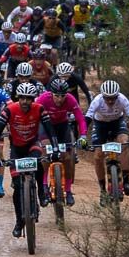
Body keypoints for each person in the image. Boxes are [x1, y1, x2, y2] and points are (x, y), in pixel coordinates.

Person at [0, 82, 55, 237]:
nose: (25, 101)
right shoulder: (9, 110)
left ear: (33, 99)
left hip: (33, 144)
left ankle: (41, 192)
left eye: (29, 98)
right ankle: (19, 222)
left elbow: (50, 130)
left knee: (38, 161)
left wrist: (56, 148)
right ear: (17, 98)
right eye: (22, 98)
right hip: (17, 149)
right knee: (18, 187)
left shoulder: (39, 109)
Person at [85, 80, 129, 203]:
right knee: (98, 156)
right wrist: (82, 137)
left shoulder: (122, 99)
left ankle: (126, 181)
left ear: (117, 95)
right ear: (103, 96)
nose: (111, 101)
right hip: (100, 125)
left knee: (124, 144)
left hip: (117, 123)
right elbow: (87, 120)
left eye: (113, 98)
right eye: (107, 98)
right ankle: (102, 191)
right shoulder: (97, 100)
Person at [36, 78, 88, 206]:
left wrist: (83, 136)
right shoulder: (43, 99)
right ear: (51, 93)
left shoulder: (70, 99)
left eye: (62, 96)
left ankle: (69, 190)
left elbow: (80, 119)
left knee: (67, 158)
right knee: (46, 153)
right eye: (57, 96)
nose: (60, 99)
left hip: (62, 127)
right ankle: (43, 186)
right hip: (46, 128)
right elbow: (34, 116)